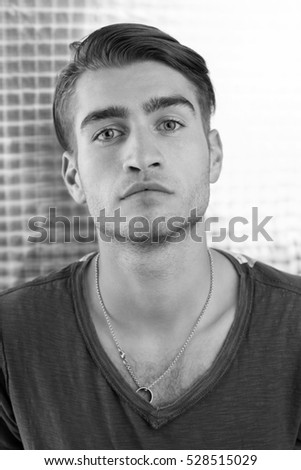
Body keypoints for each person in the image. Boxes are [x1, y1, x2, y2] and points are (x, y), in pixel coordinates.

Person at [0, 23, 300, 451]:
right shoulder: (10, 338)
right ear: (73, 176)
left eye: (170, 123)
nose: (141, 157)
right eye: (107, 132)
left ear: (213, 155)